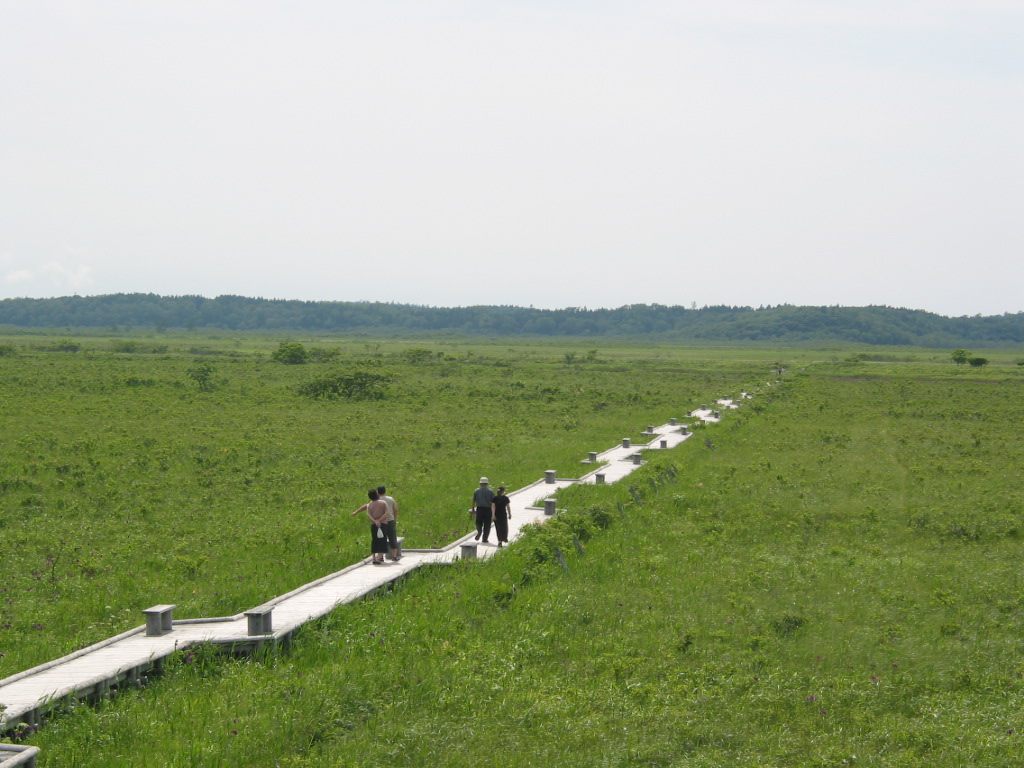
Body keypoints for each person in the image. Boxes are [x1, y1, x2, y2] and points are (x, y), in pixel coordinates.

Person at [351, 489, 389, 564]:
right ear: (377, 495)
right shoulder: (383, 503)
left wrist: (375, 521)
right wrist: (379, 520)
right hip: (383, 524)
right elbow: (386, 513)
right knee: (383, 540)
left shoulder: (370, 505)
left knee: (374, 540)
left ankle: (374, 558)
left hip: (374, 525)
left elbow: (368, 514)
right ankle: (379, 557)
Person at [377, 485, 401, 561]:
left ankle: (380, 557)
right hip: (390, 521)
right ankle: (394, 556)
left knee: (381, 539)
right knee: (392, 538)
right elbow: (396, 509)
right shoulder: (390, 499)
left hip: (381, 522)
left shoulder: (376, 500)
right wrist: (394, 519)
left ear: (378, 492)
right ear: (385, 491)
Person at [471, 477, 495, 543]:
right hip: (488, 510)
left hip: (479, 509)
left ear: (480, 483)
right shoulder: (490, 491)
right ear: (487, 483)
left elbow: (474, 500)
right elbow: (493, 502)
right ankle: (485, 539)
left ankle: (479, 532)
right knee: (487, 525)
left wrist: (473, 508)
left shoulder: (476, 491)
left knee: (478, 522)